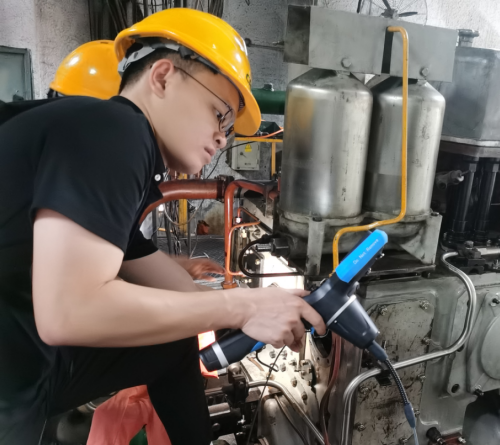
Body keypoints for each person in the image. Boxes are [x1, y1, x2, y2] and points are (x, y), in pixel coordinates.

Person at [0, 8, 325, 445]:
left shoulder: (118, 151)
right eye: (219, 113)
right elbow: (69, 312)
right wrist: (243, 307)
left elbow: (176, 290)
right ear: (163, 77)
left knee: (171, 343)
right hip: (14, 384)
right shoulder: (114, 129)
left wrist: (266, 304)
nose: (222, 138)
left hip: (25, 366)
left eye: (229, 128)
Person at [49, 39, 224, 282]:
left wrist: (175, 269)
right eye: (217, 113)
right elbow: (79, 288)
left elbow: (123, 247)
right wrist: (230, 302)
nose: (222, 138)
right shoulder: (113, 137)